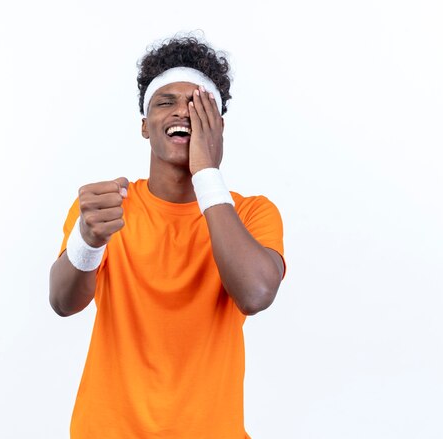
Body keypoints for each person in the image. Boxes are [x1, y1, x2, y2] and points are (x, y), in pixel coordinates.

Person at [49, 34, 286, 439]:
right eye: (166, 102)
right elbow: (63, 302)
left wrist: (207, 174)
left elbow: (256, 293)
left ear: (218, 126)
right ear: (145, 125)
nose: (182, 111)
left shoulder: (251, 213)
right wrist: (86, 239)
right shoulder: (107, 208)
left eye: (198, 104)